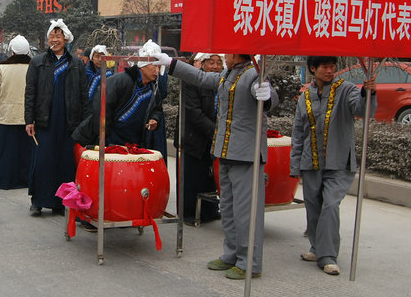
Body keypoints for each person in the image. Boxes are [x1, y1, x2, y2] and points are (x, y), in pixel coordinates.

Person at [154, 52, 277, 280]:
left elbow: (269, 100)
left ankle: (250, 261)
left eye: (227, 54)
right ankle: (231, 254)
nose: (223, 58)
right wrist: (171, 64)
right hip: (226, 151)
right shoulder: (228, 75)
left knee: (246, 214)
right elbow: (200, 78)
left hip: (246, 155)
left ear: (238, 55)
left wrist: (267, 95)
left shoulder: (254, 75)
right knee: (229, 210)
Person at [291, 56, 376, 276]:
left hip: (338, 161)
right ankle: (316, 247)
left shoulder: (346, 89)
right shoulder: (306, 95)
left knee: (330, 205)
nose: (330, 71)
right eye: (325, 67)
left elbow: (361, 109)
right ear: (313, 69)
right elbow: (299, 131)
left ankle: (328, 256)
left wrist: (369, 93)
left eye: (332, 67)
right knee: (314, 206)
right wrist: (295, 164)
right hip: (311, 161)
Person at [24, 19, 89, 216]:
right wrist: (29, 119)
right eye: (52, 36)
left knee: (64, 162)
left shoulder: (76, 64)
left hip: (69, 121)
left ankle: (61, 202)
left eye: (58, 36)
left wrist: (85, 123)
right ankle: (38, 200)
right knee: (43, 160)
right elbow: (30, 92)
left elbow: (83, 95)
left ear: (66, 39)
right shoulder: (38, 62)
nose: (55, 40)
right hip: (45, 120)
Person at [75, 40, 164, 150]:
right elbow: (102, 104)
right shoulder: (121, 81)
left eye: (159, 67)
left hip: (135, 143)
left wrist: (154, 118)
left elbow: (157, 109)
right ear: (143, 64)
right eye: (154, 66)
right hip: (111, 140)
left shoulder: (153, 89)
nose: (157, 70)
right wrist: (104, 135)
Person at [175, 52, 220, 224]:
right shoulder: (192, 82)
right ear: (202, 64)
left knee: (209, 178)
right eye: (211, 62)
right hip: (193, 138)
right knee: (191, 178)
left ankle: (209, 211)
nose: (215, 66)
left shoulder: (221, 83)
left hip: (211, 138)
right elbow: (194, 113)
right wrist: (215, 131)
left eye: (218, 63)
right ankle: (188, 214)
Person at [0, 35, 32, 189]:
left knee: (5, 152)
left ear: (12, 51)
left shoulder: (1, 68)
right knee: (26, 152)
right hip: (28, 117)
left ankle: (4, 181)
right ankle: (26, 180)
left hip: (7, 116)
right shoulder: (33, 67)